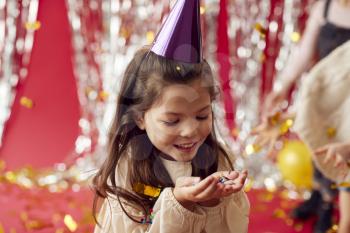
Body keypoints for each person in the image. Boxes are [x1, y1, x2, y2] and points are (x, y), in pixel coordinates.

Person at [92, 1, 250, 232]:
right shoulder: (129, 169)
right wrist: (179, 203)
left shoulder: (216, 160)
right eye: (172, 121)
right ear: (140, 118)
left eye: (202, 116)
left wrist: (212, 201)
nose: (190, 131)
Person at [261, 0, 350, 232]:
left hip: (348, 100)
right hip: (323, 94)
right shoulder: (326, 6)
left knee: (340, 153)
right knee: (316, 143)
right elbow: (304, 52)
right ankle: (318, 195)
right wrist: (283, 87)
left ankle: (329, 206)